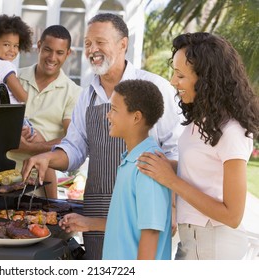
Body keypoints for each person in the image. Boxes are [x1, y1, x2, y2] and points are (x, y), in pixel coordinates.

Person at [22, 13, 183, 259]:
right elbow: (75, 148)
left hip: (141, 205)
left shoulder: (154, 88)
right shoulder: (87, 96)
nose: (92, 49)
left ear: (123, 44)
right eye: (87, 43)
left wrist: (171, 205)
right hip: (96, 206)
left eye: (100, 42)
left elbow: (174, 151)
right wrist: (48, 158)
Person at [136, 32, 259, 260]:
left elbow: (233, 215)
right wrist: (163, 166)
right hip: (192, 241)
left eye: (180, 75)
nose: (173, 82)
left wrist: (171, 179)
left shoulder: (232, 132)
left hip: (214, 246)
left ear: (206, 79)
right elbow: (200, 173)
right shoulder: (200, 121)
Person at [8, 25, 82, 198]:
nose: (52, 57)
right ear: (39, 45)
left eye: (59, 52)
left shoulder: (73, 92)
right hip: (0, 179)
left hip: (39, 189)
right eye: (47, 50)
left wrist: (32, 147)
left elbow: (71, 138)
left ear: (68, 53)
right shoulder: (14, 78)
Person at [102, 79, 171, 260]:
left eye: (114, 110)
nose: (108, 115)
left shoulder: (149, 164)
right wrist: (88, 223)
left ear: (136, 117)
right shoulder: (130, 160)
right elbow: (126, 224)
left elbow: (151, 232)